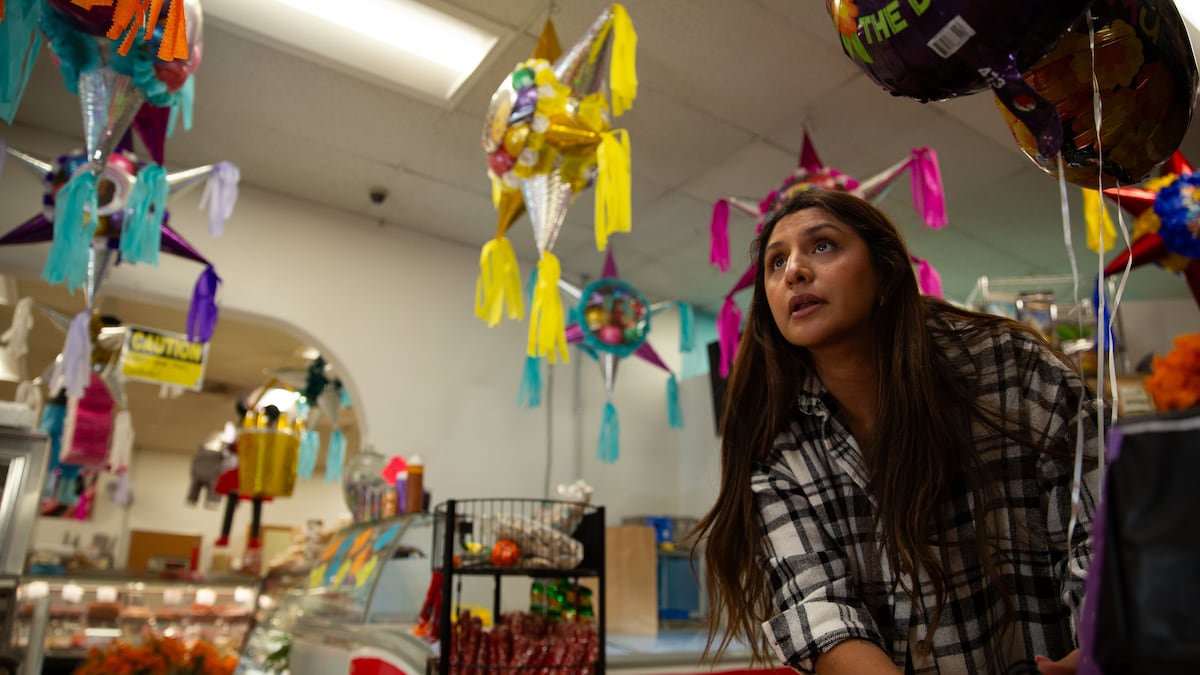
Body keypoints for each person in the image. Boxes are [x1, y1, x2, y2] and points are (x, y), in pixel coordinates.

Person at [690, 190, 1102, 674]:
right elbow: (822, 614)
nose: (794, 272)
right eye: (776, 263)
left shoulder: (1007, 367)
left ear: (884, 273)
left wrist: (1099, 648)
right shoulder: (776, 442)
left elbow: (1099, 535)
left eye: (822, 245)